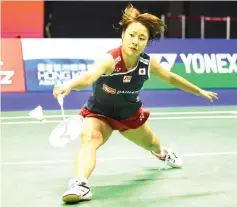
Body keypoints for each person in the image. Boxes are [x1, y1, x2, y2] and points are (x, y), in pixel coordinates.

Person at [53, 3, 218, 204]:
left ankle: (162, 153)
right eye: (131, 35)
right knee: (90, 139)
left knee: (153, 143)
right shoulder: (109, 61)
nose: (135, 41)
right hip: (99, 113)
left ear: (147, 43)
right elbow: (88, 77)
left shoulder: (147, 64)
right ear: (123, 34)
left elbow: (171, 78)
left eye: (142, 38)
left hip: (129, 115)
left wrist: (198, 91)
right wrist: (68, 85)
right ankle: (79, 185)